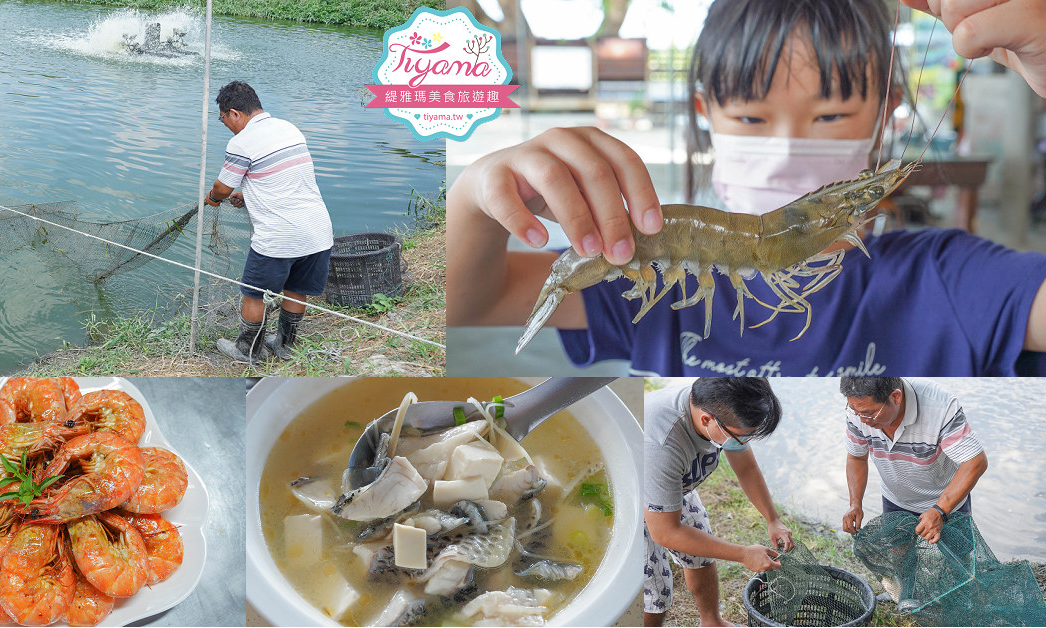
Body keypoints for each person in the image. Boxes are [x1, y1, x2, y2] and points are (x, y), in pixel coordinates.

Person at [445, 0, 1046, 376]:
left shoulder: (955, 281)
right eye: (753, 118)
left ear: (887, 111)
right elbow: (464, 304)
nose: (787, 145)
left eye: (830, 116)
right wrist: (473, 198)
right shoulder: (632, 275)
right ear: (707, 111)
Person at [642, 378, 793, 626]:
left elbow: (745, 467)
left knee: (702, 553)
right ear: (706, 420)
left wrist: (773, 519)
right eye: (741, 436)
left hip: (676, 488)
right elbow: (665, 532)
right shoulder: (661, 444)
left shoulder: (721, 409)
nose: (743, 443)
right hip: (639, 498)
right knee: (656, 593)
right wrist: (743, 554)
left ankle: (712, 622)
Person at [205, 81, 334, 364]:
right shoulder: (289, 128)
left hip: (279, 237)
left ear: (235, 113)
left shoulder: (241, 142)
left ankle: (247, 351)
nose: (224, 124)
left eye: (223, 118)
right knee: (296, 288)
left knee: (253, 295)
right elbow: (279, 178)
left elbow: (223, 187)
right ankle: (285, 346)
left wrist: (213, 198)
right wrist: (247, 193)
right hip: (318, 231)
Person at [838, 376, 988, 609]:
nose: (863, 420)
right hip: (896, 496)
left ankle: (960, 600)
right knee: (900, 556)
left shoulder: (940, 406)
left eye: (869, 414)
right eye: (856, 412)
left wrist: (940, 510)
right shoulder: (859, 410)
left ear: (895, 397)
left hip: (945, 498)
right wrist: (855, 503)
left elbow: (975, 462)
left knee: (958, 558)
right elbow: (857, 456)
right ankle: (906, 596)